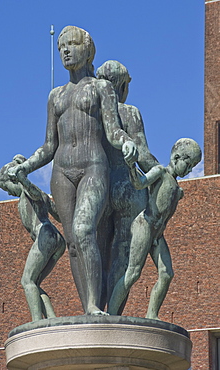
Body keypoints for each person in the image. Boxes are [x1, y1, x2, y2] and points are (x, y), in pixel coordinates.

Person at [8, 26, 138, 315]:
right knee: (73, 243)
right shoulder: (55, 96)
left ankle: (94, 305)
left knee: (84, 229)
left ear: (87, 49)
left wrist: (127, 143)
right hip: (62, 172)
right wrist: (26, 167)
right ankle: (88, 306)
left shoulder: (101, 88)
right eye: (61, 46)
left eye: (71, 44)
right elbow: (48, 145)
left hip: (93, 166)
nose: (65, 50)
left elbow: (114, 130)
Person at [108, 138, 202, 319]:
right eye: (188, 165)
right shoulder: (160, 172)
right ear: (176, 158)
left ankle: (152, 314)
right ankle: (111, 314)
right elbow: (139, 183)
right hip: (145, 225)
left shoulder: (178, 190)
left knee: (166, 274)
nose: (190, 170)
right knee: (133, 272)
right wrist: (131, 166)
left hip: (158, 234)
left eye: (192, 167)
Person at [96, 60, 158, 313]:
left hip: (98, 185)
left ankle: (95, 308)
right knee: (122, 255)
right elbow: (142, 154)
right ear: (121, 85)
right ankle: (114, 314)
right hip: (126, 186)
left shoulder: (92, 114)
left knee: (98, 254)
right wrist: (162, 174)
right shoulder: (129, 112)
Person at [0, 154, 65, 321]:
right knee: (34, 283)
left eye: (7, 188)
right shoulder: (42, 195)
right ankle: (51, 318)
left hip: (45, 235)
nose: (8, 193)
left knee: (27, 281)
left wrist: (22, 178)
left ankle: (36, 322)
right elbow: (59, 215)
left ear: (13, 182)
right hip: (57, 239)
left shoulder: (28, 192)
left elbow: (31, 191)